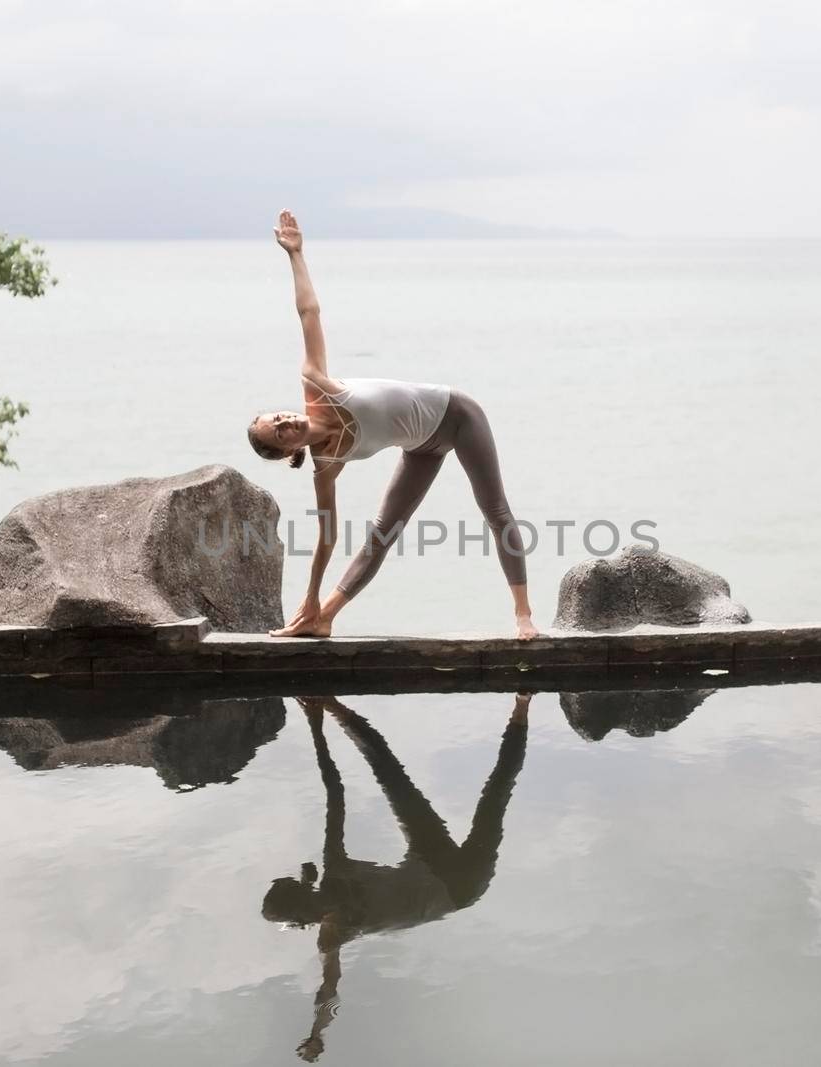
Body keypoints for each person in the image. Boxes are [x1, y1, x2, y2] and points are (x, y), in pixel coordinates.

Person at [247, 209, 539, 640]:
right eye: (280, 432)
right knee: (381, 535)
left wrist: (296, 254)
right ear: (287, 451)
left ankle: (523, 616)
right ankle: (321, 616)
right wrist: (309, 593)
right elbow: (326, 537)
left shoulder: (317, 384)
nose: (287, 421)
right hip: (421, 447)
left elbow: (309, 312)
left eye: (279, 416)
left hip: (458, 416)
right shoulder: (326, 462)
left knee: (495, 511)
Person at [263, 693, 531, 1061]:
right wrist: (316, 1032)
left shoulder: (333, 871)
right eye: (310, 903)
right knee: (497, 793)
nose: (317, 898)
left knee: (387, 771)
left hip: (426, 859)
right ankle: (522, 705)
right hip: (460, 888)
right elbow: (329, 989)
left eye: (309, 894)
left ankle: (331, 703)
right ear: (305, 914)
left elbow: (334, 790)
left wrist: (317, 724)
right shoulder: (333, 933)